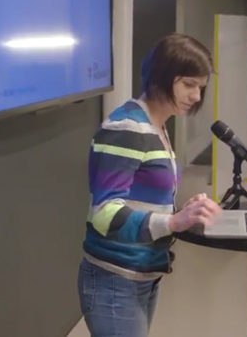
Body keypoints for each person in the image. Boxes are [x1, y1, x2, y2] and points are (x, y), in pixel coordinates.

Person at [80, 33, 223, 337]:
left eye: (201, 87)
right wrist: (172, 221)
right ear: (162, 76)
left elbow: (139, 199)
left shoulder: (155, 125)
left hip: (141, 274)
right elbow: (105, 213)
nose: (197, 96)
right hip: (115, 279)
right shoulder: (128, 128)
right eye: (189, 84)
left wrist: (184, 212)